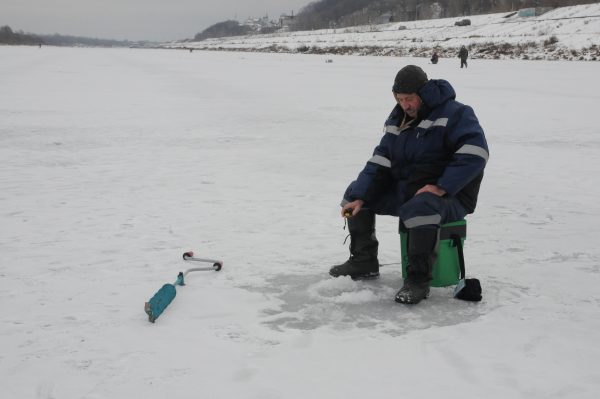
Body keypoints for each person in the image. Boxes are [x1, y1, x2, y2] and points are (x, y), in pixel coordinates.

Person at [329, 65, 488, 304]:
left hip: (450, 196)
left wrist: (443, 186)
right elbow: (380, 161)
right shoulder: (398, 120)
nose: (406, 105)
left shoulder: (456, 113)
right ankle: (364, 261)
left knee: (421, 206)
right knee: (354, 192)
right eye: (400, 99)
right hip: (410, 190)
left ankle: (418, 280)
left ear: (424, 93)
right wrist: (362, 196)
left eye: (410, 99)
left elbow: (475, 153)